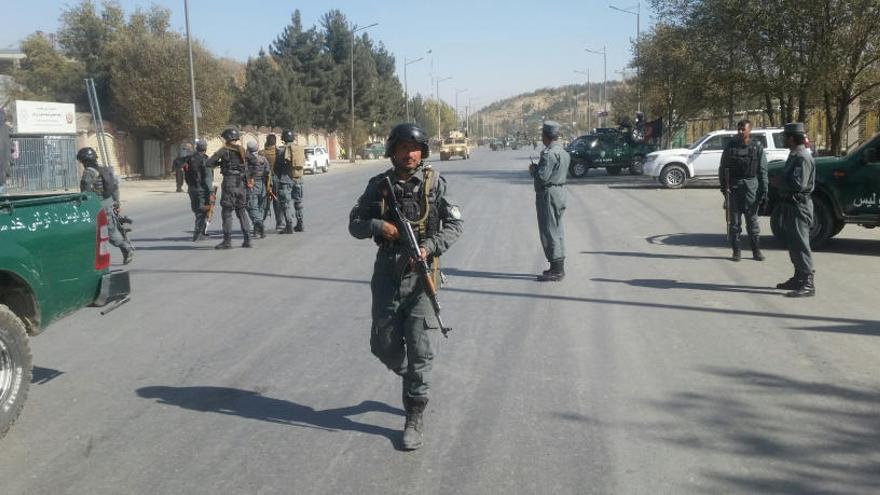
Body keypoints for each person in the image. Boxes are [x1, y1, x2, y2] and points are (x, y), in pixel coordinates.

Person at [348, 123, 463, 451]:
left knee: (421, 349)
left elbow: (455, 224)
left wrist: (430, 247)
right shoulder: (378, 185)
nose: (410, 154)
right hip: (387, 275)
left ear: (422, 151)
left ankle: (414, 411)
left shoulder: (434, 183)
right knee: (383, 344)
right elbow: (354, 224)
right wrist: (377, 225)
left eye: (415, 149)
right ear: (392, 151)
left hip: (422, 274)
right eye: (403, 148)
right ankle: (414, 377)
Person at [774, 122, 816, 297]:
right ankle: (798, 277)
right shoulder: (794, 155)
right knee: (793, 243)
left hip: (799, 206)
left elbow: (798, 184)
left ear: (791, 138)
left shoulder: (802, 157)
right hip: (791, 205)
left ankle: (808, 283)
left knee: (801, 244)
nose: (783, 139)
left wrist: (779, 182)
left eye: (785, 137)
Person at [718, 119, 768, 261]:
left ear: (749, 130)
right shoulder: (730, 147)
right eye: (738, 129)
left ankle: (756, 251)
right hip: (733, 188)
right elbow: (722, 168)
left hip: (751, 187)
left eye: (743, 129)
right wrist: (723, 189)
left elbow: (763, 170)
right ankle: (736, 251)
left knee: (752, 222)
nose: (740, 132)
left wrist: (765, 191)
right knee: (734, 222)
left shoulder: (757, 147)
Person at [77, 147, 134, 264]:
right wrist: (116, 203)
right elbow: (115, 188)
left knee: (109, 233)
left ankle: (126, 248)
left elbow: (85, 192)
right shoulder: (104, 170)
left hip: (98, 206)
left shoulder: (89, 172)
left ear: (84, 160)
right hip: (108, 203)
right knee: (101, 232)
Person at [529, 120, 569, 281]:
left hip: (549, 194)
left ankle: (557, 270)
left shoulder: (549, 153)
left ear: (546, 137)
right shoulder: (563, 152)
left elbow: (543, 176)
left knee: (549, 230)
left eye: (542, 136)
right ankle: (556, 266)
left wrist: (534, 170)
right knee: (557, 229)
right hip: (560, 192)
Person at [207, 128, 253, 249]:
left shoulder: (224, 150)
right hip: (241, 183)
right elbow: (255, 162)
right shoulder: (242, 150)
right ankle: (247, 239)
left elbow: (209, 163)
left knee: (227, 212)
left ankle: (227, 241)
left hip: (229, 183)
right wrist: (250, 175)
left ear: (227, 138)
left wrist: (221, 163)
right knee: (241, 210)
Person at [183, 139, 213, 241]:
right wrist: (211, 192)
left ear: (196, 147)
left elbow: (186, 174)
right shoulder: (205, 160)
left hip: (192, 188)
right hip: (202, 189)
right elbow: (208, 178)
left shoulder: (189, 159)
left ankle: (201, 232)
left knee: (197, 210)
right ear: (205, 148)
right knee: (202, 211)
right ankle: (198, 234)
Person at [277, 129, 306, 232]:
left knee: (286, 204)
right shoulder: (299, 148)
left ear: (283, 139)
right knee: (298, 203)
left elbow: (278, 166)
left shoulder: (281, 150)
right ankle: (300, 224)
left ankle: (289, 225)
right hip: (299, 179)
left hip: (285, 180)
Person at [245, 140, 270, 238]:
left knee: (252, 207)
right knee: (260, 208)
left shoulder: (247, 160)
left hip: (251, 185)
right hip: (262, 185)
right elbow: (267, 171)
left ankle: (259, 226)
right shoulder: (263, 159)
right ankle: (258, 228)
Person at [259, 134, 281, 231]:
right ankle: (279, 222)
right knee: (277, 201)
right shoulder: (279, 152)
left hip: (265, 180)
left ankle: (260, 223)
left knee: (264, 202)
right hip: (276, 178)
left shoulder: (261, 153)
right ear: (275, 142)